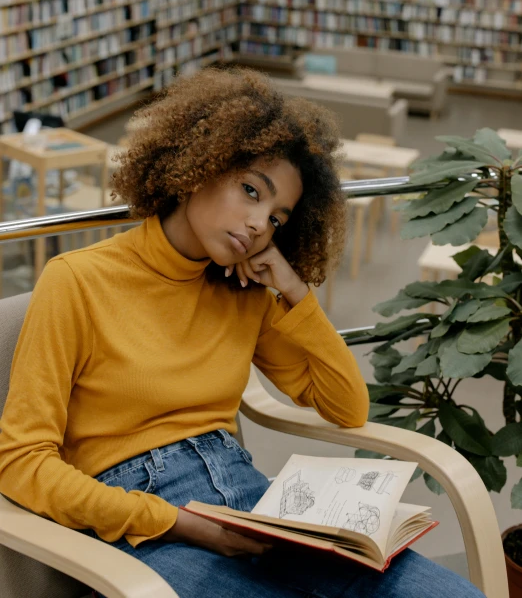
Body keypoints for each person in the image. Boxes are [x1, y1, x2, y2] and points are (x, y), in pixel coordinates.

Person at [0, 68, 484, 597]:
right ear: (196, 166)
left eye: (277, 218)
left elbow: (347, 406)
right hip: (143, 527)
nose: (258, 224)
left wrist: (297, 293)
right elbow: (21, 463)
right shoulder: (77, 281)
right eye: (251, 190)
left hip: (251, 501)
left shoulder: (244, 292)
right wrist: (177, 521)